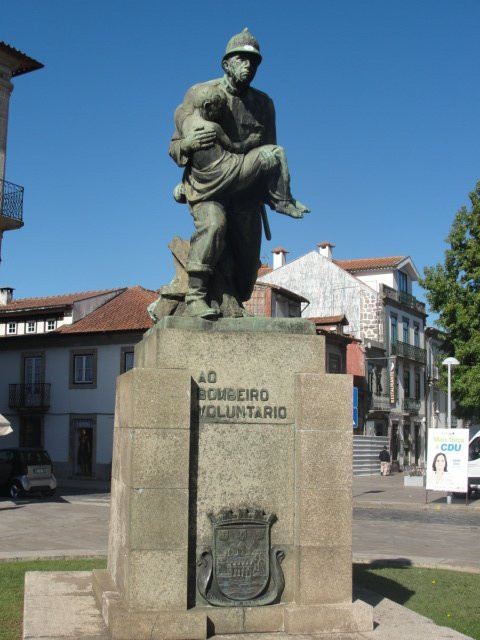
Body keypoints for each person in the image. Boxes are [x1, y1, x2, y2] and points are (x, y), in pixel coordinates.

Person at [169, 28, 306, 319]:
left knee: (246, 273)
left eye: (253, 62)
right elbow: (175, 146)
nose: (248, 66)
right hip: (209, 187)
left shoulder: (263, 104)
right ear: (226, 64)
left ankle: (233, 300)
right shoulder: (200, 94)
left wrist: (277, 197)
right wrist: (188, 145)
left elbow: (269, 153)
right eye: (242, 60)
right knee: (214, 226)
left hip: (246, 192)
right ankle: (195, 296)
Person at [177, 83, 309, 218]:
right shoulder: (213, 127)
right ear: (207, 106)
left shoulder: (186, 123)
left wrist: (184, 178)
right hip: (229, 171)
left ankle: (282, 199)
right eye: (219, 108)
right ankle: (284, 201)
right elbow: (234, 147)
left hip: (207, 178)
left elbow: (196, 157)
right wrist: (250, 141)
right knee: (278, 152)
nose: (222, 112)